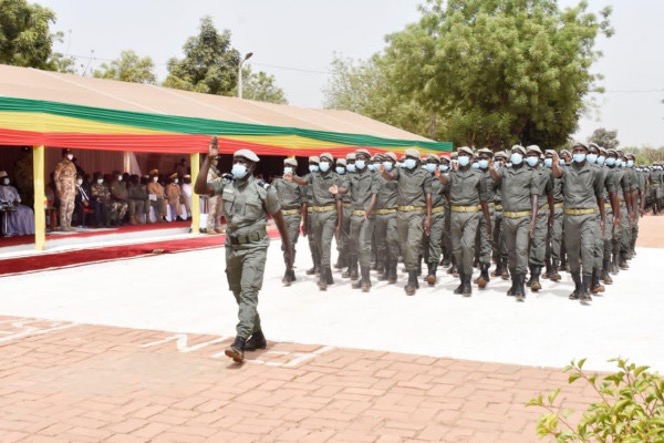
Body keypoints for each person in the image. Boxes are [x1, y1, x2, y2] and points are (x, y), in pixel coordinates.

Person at [194, 136, 292, 364]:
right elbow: (200, 189)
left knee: (248, 293)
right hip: (232, 247)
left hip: (255, 247)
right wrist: (208, 160)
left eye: (243, 162)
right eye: (235, 161)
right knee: (238, 293)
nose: (237, 165)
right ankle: (257, 336)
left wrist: (288, 247)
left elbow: (279, 218)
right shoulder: (226, 183)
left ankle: (239, 341)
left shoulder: (263, 190)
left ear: (252, 167)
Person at [551, 143, 606, 303]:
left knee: (588, 249)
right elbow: (558, 172)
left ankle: (586, 287)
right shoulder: (567, 168)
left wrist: (602, 218)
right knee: (573, 252)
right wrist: (555, 163)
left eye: (582, 151)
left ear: (587, 153)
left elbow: (600, 195)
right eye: (576, 151)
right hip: (570, 217)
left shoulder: (596, 170)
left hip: (589, 216)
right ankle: (577, 286)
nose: (579, 153)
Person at [284, 152, 342, 291]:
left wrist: (339, 222)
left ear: (330, 163)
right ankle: (327, 274)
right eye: (320, 160)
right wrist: (293, 177)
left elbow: (339, 201)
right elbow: (303, 181)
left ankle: (323, 276)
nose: (322, 163)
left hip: (329, 213)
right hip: (315, 214)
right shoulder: (313, 176)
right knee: (318, 244)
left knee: (325, 243)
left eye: (325, 161)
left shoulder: (336, 178)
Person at [436, 147, 489, 297]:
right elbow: (445, 182)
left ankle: (467, 281)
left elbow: (484, 199)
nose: (462, 157)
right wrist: (439, 176)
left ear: (471, 158)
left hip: (472, 214)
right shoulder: (452, 175)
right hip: (455, 214)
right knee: (457, 249)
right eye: (460, 155)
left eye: (465, 155)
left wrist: (487, 221)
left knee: (468, 246)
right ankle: (462, 280)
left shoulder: (478, 175)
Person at [488, 145, 539, 301]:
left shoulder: (532, 173)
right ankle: (514, 282)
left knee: (521, 249)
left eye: (518, 153)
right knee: (510, 252)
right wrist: (491, 169)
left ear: (523, 156)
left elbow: (534, 198)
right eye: (513, 153)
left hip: (523, 217)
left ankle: (521, 285)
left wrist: (533, 220)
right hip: (507, 217)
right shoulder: (505, 171)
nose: (515, 155)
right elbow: (496, 179)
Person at [380, 148, 432, 296]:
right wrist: (383, 172)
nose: (408, 160)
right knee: (403, 246)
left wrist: (429, 217)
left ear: (417, 160)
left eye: (411, 158)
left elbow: (428, 196)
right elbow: (390, 177)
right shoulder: (400, 171)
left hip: (416, 212)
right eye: (406, 157)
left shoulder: (425, 174)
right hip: (401, 213)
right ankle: (414, 274)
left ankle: (410, 280)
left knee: (412, 244)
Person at [331, 149, 380, 292]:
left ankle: (366, 280)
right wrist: (337, 190)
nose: (357, 160)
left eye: (360, 158)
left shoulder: (373, 175)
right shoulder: (350, 175)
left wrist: (368, 212)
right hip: (354, 215)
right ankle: (362, 276)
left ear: (366, 160)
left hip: (366, 216)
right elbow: (345, 189)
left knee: (364, 245)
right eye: (356, 157)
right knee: (355, 245)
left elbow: (375, 195)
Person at [525, 145, 553, 292]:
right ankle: (526, 273)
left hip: (541, 213)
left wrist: (552, 215)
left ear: (539, 156)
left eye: (534, 154)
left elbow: (550, 194)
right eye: (528, 154)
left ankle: (535, 276)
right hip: (523, 213)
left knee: (538, 243)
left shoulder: (547, 173)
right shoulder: (521, 171)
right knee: (525, 245)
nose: (531, 157)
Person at [272, 157, 303, 286]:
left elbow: (305, 202)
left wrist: (304, 219)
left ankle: (288, 272)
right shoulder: (277, 182)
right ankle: (290, 269)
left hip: (294, 215)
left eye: (290, 165)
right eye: (285, 165)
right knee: (286, 245)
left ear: (295, 168)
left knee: (289, 244)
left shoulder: (300, 182)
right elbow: (270, 197)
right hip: (281, 217)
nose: (287, 167)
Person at [374, 152, 400, 284]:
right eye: (384, 159)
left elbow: (389, 177)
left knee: (391, 242)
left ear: (394, 162)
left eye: (389, 160)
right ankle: (385, 269)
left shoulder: (396, 174)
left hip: (392, 213)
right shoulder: (377, 175)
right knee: (381, 244)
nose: (386, 161)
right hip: (379, 213)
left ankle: (393, 271)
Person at [0, 171, 35, 236]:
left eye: (6, 178)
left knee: (29, 210)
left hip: (15, 205)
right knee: (18, 212)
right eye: (4, 178)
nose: (6, 180)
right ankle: (16, 231)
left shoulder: (13, 188)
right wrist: (6, 204)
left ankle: (28, 231)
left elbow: (18, 198)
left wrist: (16, 202)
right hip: (6, 206)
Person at [53, 148, 77, 231]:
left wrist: (75, 189)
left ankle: (68, 224)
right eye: (69, 153)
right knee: (64, 207)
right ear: (64, 154)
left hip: (71, 190)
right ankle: (63, 225)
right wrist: (59, 189)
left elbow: (74, 178)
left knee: (71, 207)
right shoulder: (60, 164)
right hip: (64, 189)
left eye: (71, 153)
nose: (71, 155)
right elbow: (56, 178)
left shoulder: (72, 164)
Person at [205, 162, 223, 234]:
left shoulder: (216, 170)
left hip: (219, 191)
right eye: (215, 160)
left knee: (219, 210)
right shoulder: (208, 170)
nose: (216, 161)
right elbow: (208, 182)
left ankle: (218, 226)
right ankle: (210, 227)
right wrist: (217, 179)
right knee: (212, 210)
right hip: (212, 192)